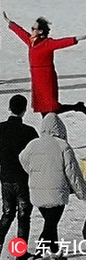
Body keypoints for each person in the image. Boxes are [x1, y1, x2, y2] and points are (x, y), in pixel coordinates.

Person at [19, 114, 86, 259]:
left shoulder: (33, 144)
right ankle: (39, 253)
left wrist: (34, 172)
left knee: (51, 223)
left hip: (37, 193)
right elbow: (72, 172)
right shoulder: (63, 146)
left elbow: (23, 158)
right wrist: (81, 193)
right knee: (50, 225)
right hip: (58, 192)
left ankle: (55, 252)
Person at [0, 94, 38, 251]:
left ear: (9, 108)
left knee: (7, 214)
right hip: (23, 179)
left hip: (5, 178)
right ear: (24, 110)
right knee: (23, 217)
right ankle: (20, 253)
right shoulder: (29, 132)